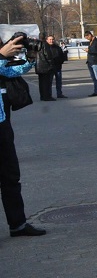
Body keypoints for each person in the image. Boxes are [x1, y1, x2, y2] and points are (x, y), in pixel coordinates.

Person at [0, 34, 47, 237]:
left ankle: (17, 224)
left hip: (2, 121)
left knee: (10, 174)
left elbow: (10, 71)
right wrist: (0, 54)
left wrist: (30, 57)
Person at [35, 35, 61, 101]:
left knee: (42, 83)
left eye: (52, 39)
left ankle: (43, 96)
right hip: (46, 67)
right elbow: (48, 56)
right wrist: (51, 64)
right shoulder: (45, 46)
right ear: (45, 40)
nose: (51, 41)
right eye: (50, 39)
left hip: (39, 67)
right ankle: (47, 96)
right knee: (46, 83)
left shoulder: (37, 46)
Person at [84, 31, 97, 97]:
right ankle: (96, 91)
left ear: (90, 35)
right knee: (94, 78)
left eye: (87, 37)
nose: (87, 39)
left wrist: (89, 50)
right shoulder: (91, 42)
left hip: (95, 61)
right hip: (90, 62)